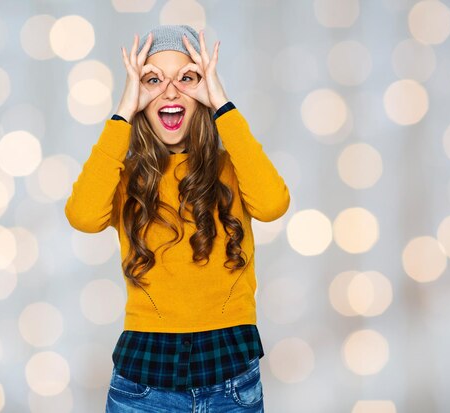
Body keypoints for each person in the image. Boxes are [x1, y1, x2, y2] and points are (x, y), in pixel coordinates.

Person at [65, 24, 290, 413]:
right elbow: (83, 216)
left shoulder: (231, 168)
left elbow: (272, 205)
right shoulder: (126, 176)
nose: (170, 91)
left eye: (187, 78)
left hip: (230, 375)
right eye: (153, 80)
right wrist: (122, 111)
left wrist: (221, 102)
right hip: (143, 384)